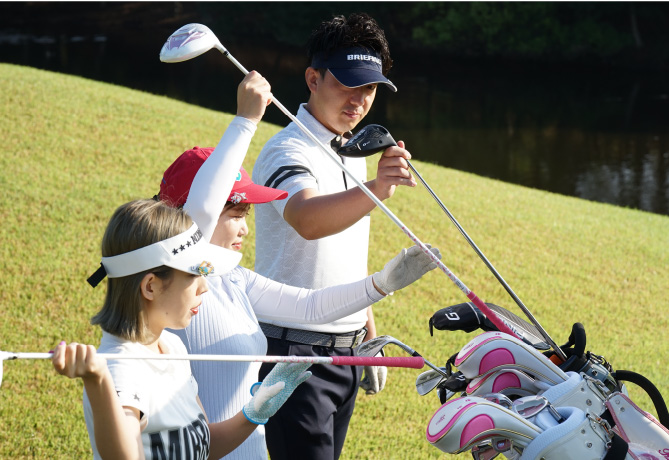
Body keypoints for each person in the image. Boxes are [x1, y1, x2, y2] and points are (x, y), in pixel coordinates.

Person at [156, 71, 440, 460]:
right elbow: (202, 213)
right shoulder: (172, 284)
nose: (245, 227)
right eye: (235, 214)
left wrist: (380, 285)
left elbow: (311, 306)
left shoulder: (237, 280)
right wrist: (245, 121)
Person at [251, 13, 415, 459]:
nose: (359, 99)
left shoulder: (352, 150)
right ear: (313, 79)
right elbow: (307, 219)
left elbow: (344, 249)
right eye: (347, 84)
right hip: (293, 352)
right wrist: (378, 188)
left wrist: (367, 329)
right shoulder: (287, 149)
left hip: (346, 350)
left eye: (370, 88)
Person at [52, 198, 313, 460]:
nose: (204, 287)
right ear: (151, 286)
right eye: (193, 274)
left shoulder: (171, 346)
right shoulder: (121, 368)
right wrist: (98, 381)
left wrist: (254, 412)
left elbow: (202, 447)